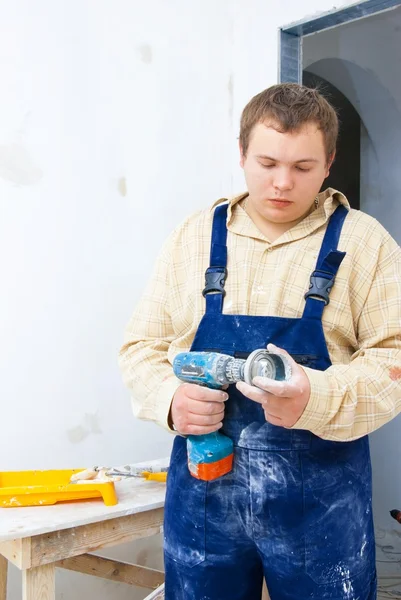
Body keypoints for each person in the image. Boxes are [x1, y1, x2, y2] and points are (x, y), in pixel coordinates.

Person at [119, 83, 401, 600]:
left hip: (322, 505)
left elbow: (394, 359)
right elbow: (142, 345)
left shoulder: (366, 242)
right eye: (267, 162)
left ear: (329, 163)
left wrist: (315, 397)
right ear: (242, 153)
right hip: (205, 496)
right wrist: (170, 398)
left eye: (303, 167)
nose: (282, 183)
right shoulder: (194, 236)